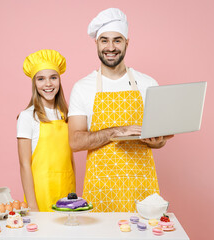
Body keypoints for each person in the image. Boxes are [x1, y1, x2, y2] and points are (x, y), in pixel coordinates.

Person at [68, 8, 173, 212]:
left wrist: (157, 141)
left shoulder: (148, 84)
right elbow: (75, 141)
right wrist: (118, 131)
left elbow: (162, 137)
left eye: (117, 40)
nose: (111, 47)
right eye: (104, 40)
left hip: (141, 186)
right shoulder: (83, 88)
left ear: (127, 42)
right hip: (101, 188)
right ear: (96, 43)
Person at [17, 49, 76, 212]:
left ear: (59, 80)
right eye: (41, 79)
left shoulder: (67, 115)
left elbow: (70, 160)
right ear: (34, 83)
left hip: (66, 191)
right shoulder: (27, 116)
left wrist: (74, 194)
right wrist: (32, 206)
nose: (48, 84)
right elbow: (24, 165)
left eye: (53, 78)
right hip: (41, 193)